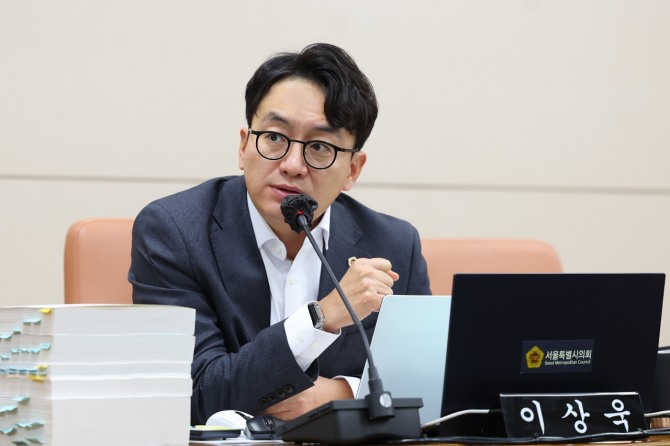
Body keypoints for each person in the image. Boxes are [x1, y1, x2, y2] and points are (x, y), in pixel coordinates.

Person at [129, 42, 431, 425]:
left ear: (353, 170)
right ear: (244, 146)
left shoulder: (394, 245)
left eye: (319, 147)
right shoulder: (175, 232)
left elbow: (428, 388)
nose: (292, 165)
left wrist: (342, 395)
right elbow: (194, 395)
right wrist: (322, 317)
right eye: (274, 137)